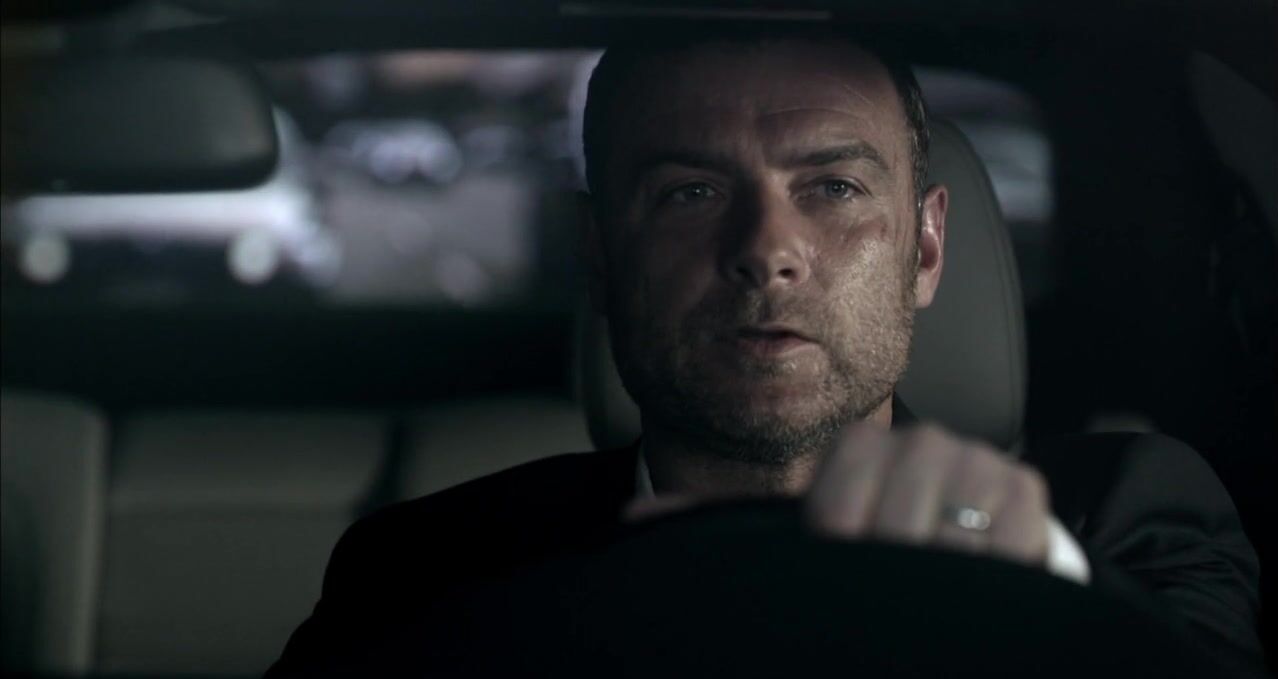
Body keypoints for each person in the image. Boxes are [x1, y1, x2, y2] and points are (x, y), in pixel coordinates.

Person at [267, 30, 1265, 677]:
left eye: (832, 189)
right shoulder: (429, 569)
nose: (766, 251)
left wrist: (1041, 585)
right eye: (691, 193)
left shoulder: (1123, 514)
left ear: (925, 249)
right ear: (602, 258)